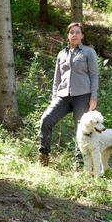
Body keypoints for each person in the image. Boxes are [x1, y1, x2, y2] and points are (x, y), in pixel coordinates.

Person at [38, 22, 99, 166]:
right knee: (46, 120)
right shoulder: (61, 54)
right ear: (68, 35)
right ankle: (44, 156)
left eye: (77, 32)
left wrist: (93, 97)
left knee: (81, 128)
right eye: (72, 32)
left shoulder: (88, 52)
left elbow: (94, 75)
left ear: (82, 35)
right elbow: (57, 78)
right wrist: (54, 96)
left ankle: (79, 163)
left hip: (83, 95)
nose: (74, 35)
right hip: (62, 96)